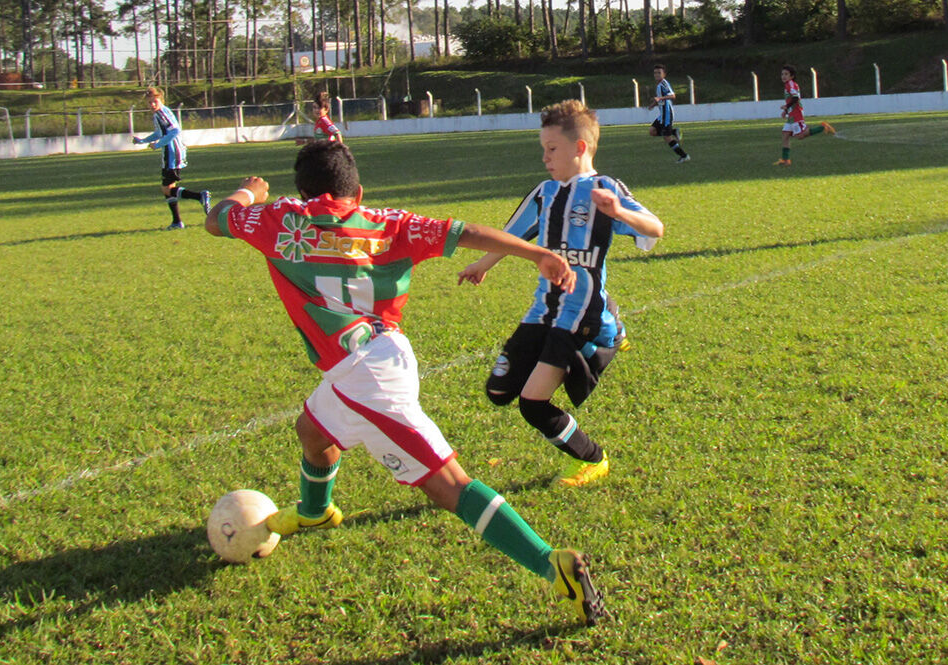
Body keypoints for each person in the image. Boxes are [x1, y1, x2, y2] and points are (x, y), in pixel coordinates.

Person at [204, 141, 604, 627]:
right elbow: (467, 231)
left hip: (369, 378)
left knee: (448, 485)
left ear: (304, 191)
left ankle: (550, 563)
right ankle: (316, 510)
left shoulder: (279, 220)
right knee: (311, 431)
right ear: (359, 190)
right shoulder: (388, 223)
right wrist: (537, 252)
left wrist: (247, 192)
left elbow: (217, 218)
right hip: (373, 360)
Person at [458, 100, 664, 487]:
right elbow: (513, 235)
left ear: (579, 148)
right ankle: (614, 325)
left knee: (533, 404)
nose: (545, 158)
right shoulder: (545, 192)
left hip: (578, 317)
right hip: (541, 311)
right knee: (499, 391)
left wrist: (620, 212)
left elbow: (655, 229)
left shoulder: (606, 190)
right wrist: (482, 265)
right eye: (544, 149)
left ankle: (591, 458)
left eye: (551, 149)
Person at [132, 86, 211, 229]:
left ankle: (200, 196)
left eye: (155, 101)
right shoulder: (159, 113)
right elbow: (159, 132)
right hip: (170, 153)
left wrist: (158, 145)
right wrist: (143, 141)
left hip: (172, 153)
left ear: (161, 99)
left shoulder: (162, 113)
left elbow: (175, 131)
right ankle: (176, 222)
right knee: (168, 189)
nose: (152, 105)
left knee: (167, 189)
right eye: (149, 102)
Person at [775, 64, 836, 166]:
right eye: (782, 74)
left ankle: (823, 127)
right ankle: (786, 160)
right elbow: (791, 100)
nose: (783, 76)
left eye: (786, 74)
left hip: (796, 114)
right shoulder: (787, 85)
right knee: (785, 135)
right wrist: (786, 111)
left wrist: (786, 107)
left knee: (800, 136)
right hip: (791, 114)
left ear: (792, 76)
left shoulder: (791, 84)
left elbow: (795, 98)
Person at [646, 64, 690, 164]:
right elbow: (660, 98)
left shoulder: (664, 84)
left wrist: (660, 99)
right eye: (655, 73)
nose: (656, 75)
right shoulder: (659, 85)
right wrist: (653, 104)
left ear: (664, 74)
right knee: (652, 131)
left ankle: (684, 156)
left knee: (667, 137)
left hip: (667, 114)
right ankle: (674, 132)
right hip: (662, 115)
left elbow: (672, 95)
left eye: (659, 73)